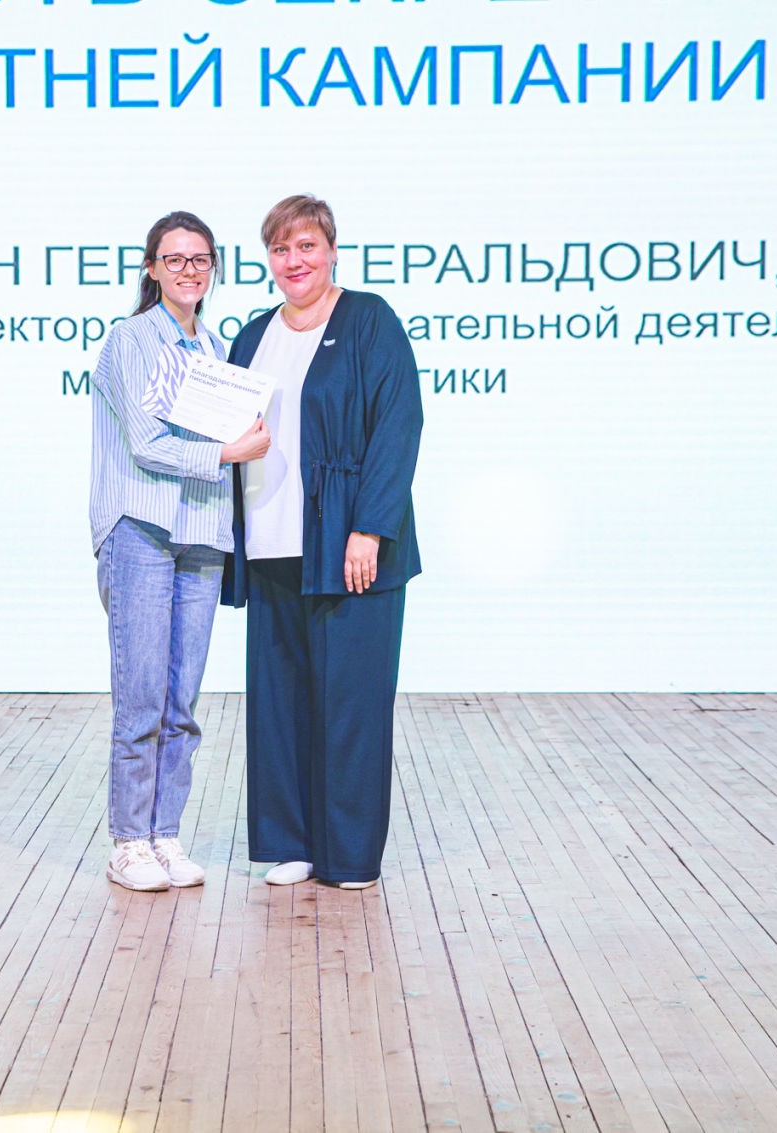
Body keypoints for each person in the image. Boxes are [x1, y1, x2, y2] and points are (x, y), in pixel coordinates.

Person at [223, 194, 423, 890]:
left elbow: (397, 426)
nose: (294, 260)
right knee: (279, 703)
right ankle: (292, 844)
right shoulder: (253, 335)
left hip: (348, 546)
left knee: (351, 703)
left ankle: (350, 856)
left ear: (332, 250)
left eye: (306, 246)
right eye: (280, 249)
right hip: (269, 543)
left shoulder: (369, 320)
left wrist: (370, 527)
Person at [90, 211, 272, 891]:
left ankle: (164, 833)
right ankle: (128, 841)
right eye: (175, 259)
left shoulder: (217, 350)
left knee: (182, 704)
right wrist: (228, 452)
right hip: (142, 527)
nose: (189, 271)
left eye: (200, 260)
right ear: (152, 268)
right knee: (141, 698)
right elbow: (146, 444)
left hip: (201, 533)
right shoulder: (131, 339)